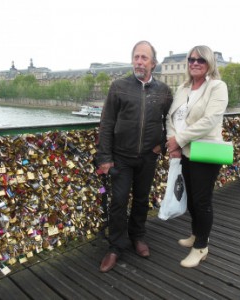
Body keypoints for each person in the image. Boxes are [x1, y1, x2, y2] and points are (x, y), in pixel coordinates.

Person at [96, 40, 173, 273]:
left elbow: (171, 122)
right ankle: (116, 246)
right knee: (118, 202)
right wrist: (105, 158)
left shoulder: (163, 91)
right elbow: (107, 122)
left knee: (141, 199)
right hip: (121, 156)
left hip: (148, 157)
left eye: (144, 58)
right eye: (136, 57)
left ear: (154, 63)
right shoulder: (119, 86)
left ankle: (138, 236)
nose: (139, 62)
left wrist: (161, 145)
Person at [165, 45, 228, 268]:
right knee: (190, 198)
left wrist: (178, 140)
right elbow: (170, 118)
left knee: (202, 201)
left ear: (209, 63)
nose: (194, 63)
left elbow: (209, 121)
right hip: (184, 152)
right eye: (191, 59)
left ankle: (201, 246)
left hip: (204, 152)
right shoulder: (183, 88)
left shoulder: (217, 87)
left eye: (200, 60)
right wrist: (173, 141)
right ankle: (196, 233)